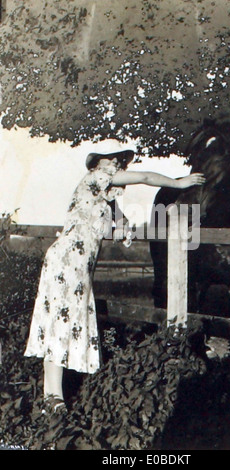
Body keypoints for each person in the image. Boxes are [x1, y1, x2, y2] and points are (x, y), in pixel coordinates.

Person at [24, 149, 205, 415]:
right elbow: (143, 176)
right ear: (98, 164)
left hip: (77, 262)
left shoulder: (104, 197)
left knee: (63, 320)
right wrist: (178, 183)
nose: (117, 164)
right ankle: (52, 398)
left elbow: (119, 221)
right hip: (68, 260)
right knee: (61, 321)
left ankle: (52, 397)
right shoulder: (97, 176)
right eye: (112, 159)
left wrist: (123, 227)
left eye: (120, 161)